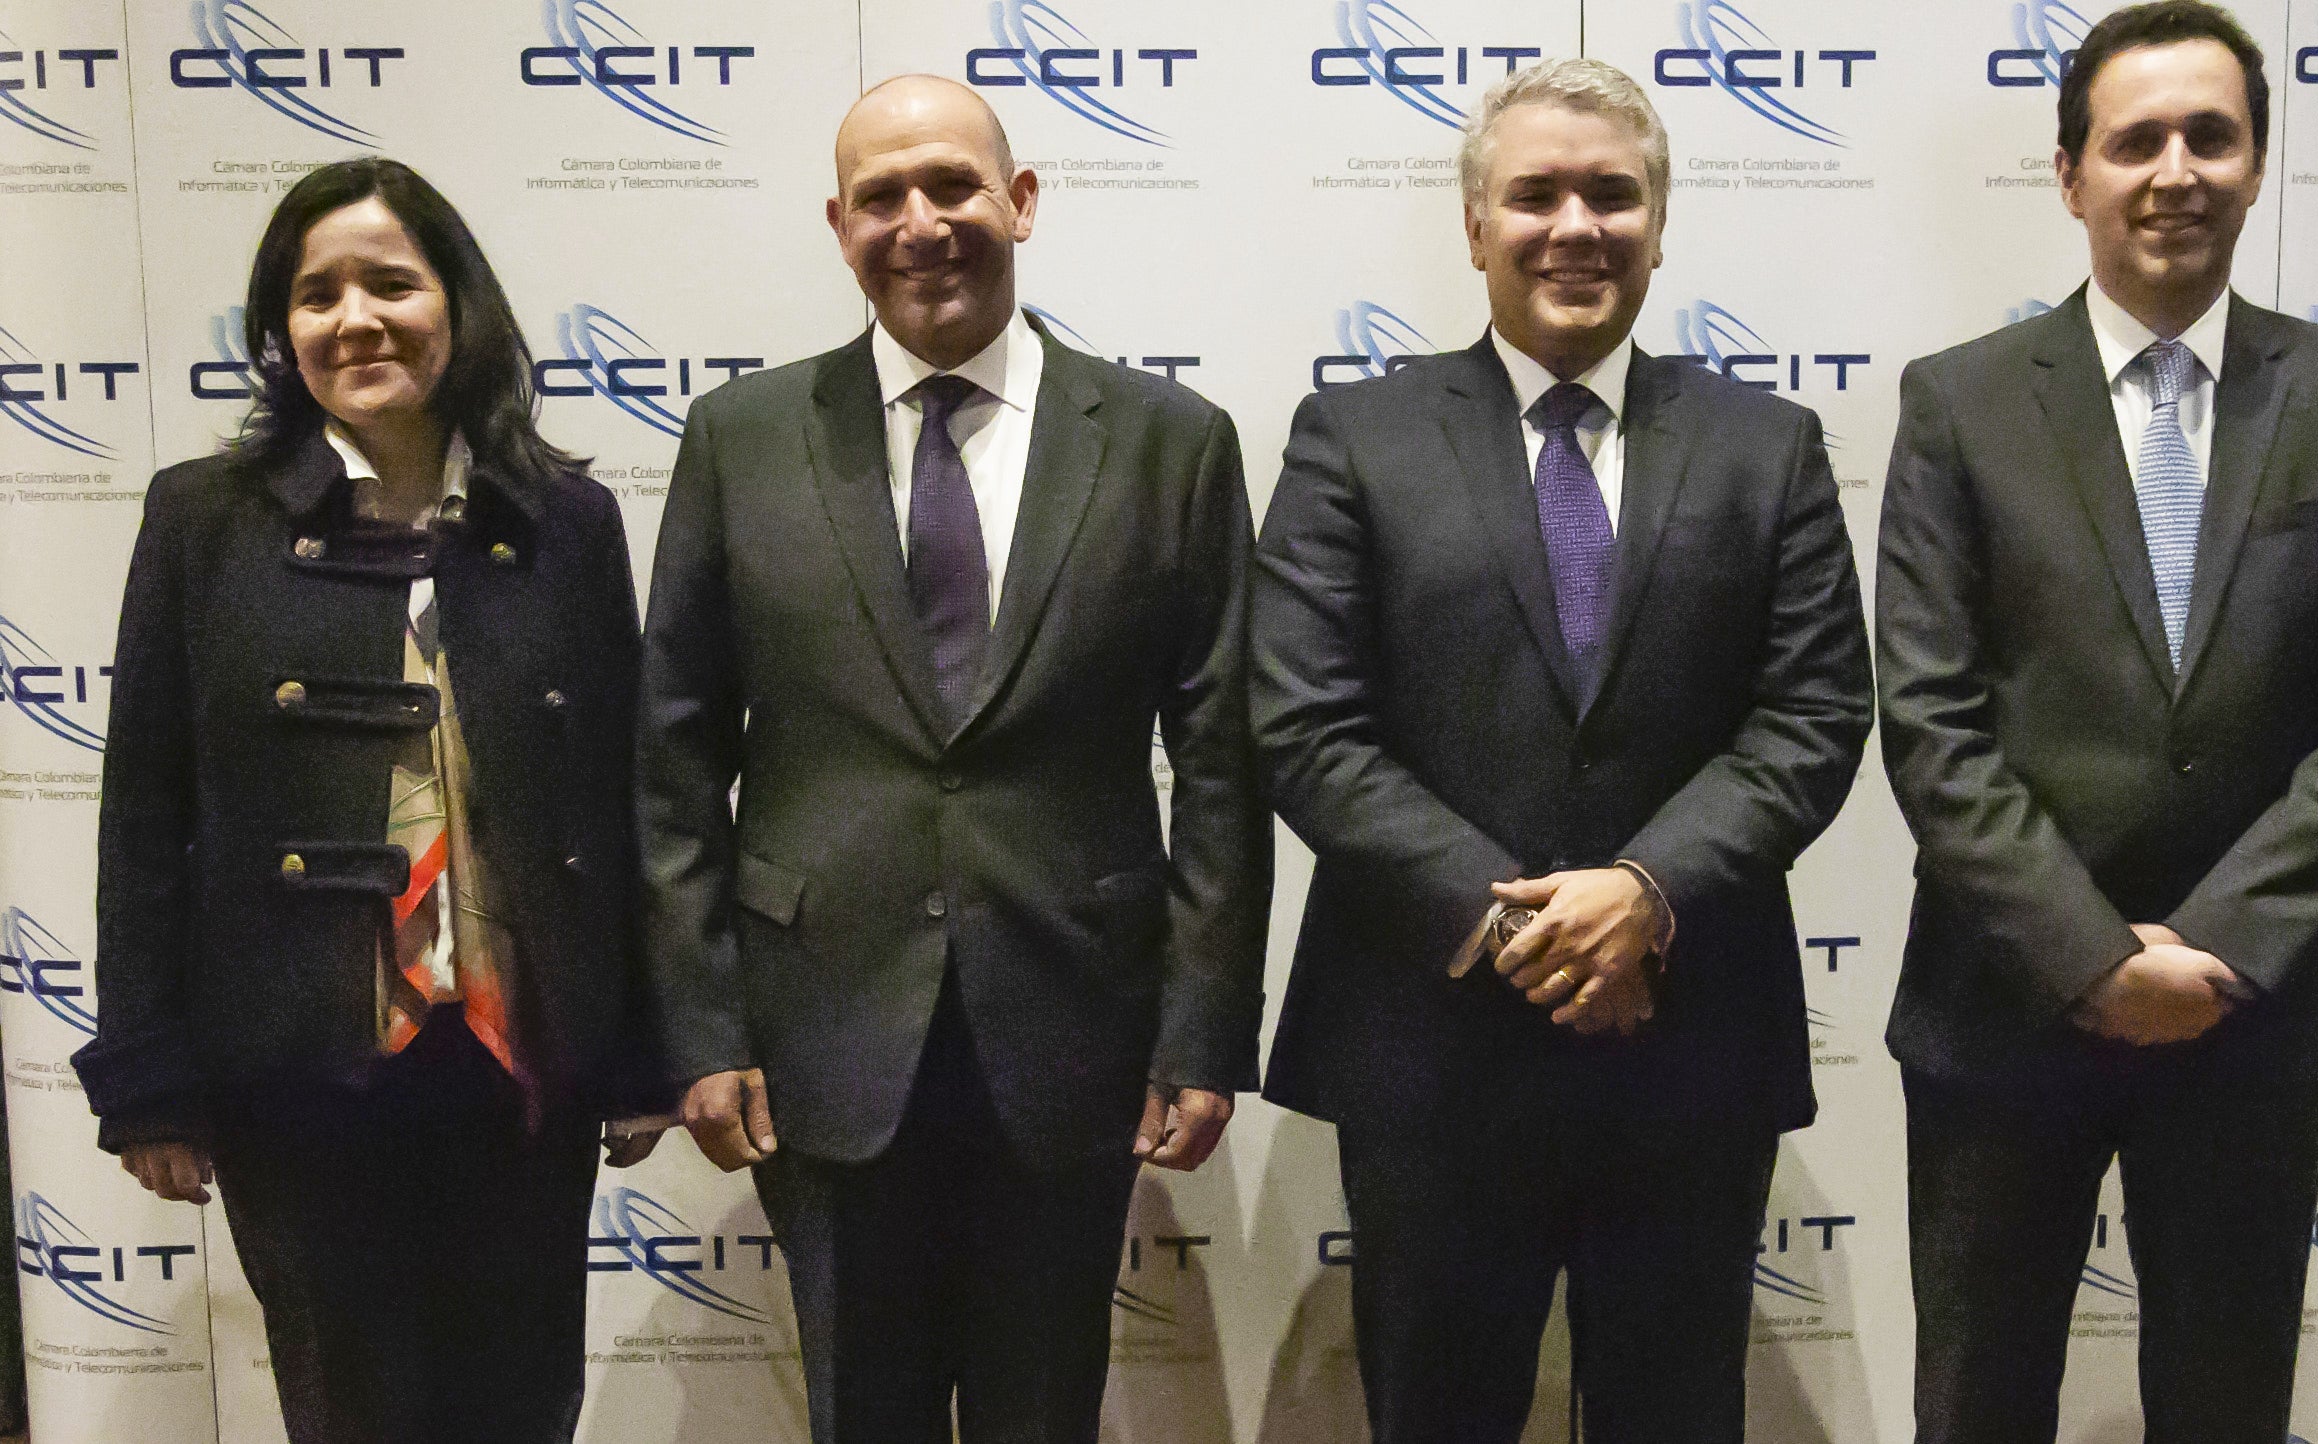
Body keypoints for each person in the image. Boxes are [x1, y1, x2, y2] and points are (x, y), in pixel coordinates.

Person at [638, 74, 1270, 1444]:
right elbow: (674, 757)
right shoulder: (740, 439)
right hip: (820, 1037)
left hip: (1074, 1028)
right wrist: (702, 1028)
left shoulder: (1169, 444)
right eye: (881, 197)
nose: (920, 223)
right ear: (839, 227)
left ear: (1020, 201)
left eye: (952, 185)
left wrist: (1202, 1031)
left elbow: (1220, 764)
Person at [1251, 57, 1872, 1444]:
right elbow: (1302, 721)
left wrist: (1645, 893)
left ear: (1659, 221)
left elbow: (1815, 714)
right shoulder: (1353, 437)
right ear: (1475, 225)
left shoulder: (1766, 446)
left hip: (1687, 1044)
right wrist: (1515, 925)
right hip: (1430, 1054)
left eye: (1611, 194)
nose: (1574, 226)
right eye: (1534, 195)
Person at [1872, 4, 2318, 1439]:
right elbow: (1930, 718)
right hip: (2000, 1006)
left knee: (2223, 1405)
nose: (2173, 171)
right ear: (2070, 176)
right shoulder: (1958, 403)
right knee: (1977, 1404)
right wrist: (2089, 956)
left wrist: (2215, 948)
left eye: (2209, 136)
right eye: (2134, 142)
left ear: (2255, 166)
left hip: (2244, 1016)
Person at [72, 157, 668, 1444]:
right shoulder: (203, 520)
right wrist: (149, 1082)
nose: (356, 319)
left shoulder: (564, 520)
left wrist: (638, 1049)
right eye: (317, 293)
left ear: (457, 303)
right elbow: (144, 819)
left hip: (519, 1067)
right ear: (280, 329)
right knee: (352, 1414)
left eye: (391, 283)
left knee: (524, 1409)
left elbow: (616, 801)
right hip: (299, 1068)